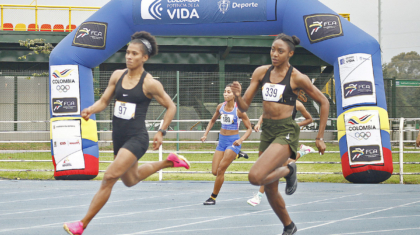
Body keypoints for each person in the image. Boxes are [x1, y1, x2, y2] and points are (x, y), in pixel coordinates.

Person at [63, 31, 190, 235]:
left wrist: (161, 132)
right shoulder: (117, 75)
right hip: (119, 137)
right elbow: (104, 101)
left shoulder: (150, 83)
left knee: (110, 176)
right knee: (131, 180)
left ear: (144, 58)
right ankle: (170, 161)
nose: (129, 57)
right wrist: (90, 110)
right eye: (128, 53)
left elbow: (171, 106)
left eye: (134, 54)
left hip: (137, 138)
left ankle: (82, 224)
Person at [230, 33, 329, 235]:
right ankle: (289, 227)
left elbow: (324, 102)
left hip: (286, 131)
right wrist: (239, 97)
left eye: (280, 51)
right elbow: (245, 106)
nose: (274, 54)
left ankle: (289, 170)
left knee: (256, 177)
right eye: (273, 49)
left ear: (290, 54)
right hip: (268, 131)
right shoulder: (261, 72)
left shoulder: (296, 77)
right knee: (270, 189)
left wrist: (319, 137)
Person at [247, 99, 316, 206]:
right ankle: (301, 153)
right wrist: (259, 123)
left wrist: (294, 124)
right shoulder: (276, 100)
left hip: (286, 135)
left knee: (271, 165)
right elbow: (265, 114)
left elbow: (309, 119)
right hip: (272, 133)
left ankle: (259, 196)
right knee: (279, 164)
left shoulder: (297, 104)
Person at [201, 84, 252, 205]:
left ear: (234, 95)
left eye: (228, 92)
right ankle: (236, 155)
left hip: (233, 142)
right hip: (222, 141)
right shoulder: (220, 107)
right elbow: (212, 120)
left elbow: (249, 128)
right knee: (214, 172)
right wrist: (205, 134)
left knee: (221, 169)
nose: (225, 94)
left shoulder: (239, 110)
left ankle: (212, 197)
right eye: (224, 91)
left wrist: (241, 140)